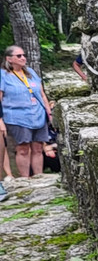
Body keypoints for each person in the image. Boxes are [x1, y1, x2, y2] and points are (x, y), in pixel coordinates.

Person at [0, 45, 53, 178]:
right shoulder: (3, 75)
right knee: (23, 148)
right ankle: (25, 179)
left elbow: (41, 94)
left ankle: (39, 176)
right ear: (9, 59)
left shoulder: (30, 72)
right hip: (17, 117)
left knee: (38, 148)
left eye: (24, 55)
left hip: (38, 115)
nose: (23, 58)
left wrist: (49, 112)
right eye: (19, 56)